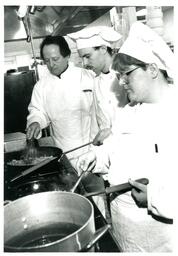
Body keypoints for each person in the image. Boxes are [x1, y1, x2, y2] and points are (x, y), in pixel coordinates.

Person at [76, 21, 176, 252]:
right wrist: (97, 157)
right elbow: (114, 147)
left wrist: (154, 198)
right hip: (124, 225)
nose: (120, 82)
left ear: (152, 69)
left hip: (158, 236)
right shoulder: (130, 110)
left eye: (125, 75)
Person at [26, 35, 98, 169]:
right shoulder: (41, 86)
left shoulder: (88, 77)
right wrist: (35, 122)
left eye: (55, 59)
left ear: (67, 56)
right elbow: (38, 111)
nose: (51, 65)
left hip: (91, 150)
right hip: (63, 153)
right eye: (47, 61)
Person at [68, 26, 129, 146]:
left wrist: (112, 133)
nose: (84, 64)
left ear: (103, 49)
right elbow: (98, 123)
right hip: (111, 151)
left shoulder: (127, 76)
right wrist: (93, 150)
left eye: (87, 56)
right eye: (82, 58)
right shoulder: (96, 81)